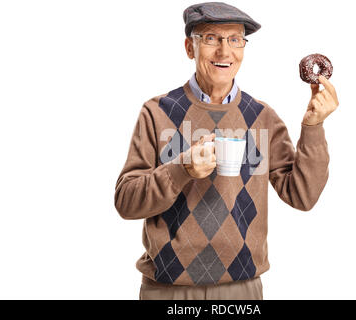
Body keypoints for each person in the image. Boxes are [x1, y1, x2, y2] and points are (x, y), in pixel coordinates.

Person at [114, 1, 339, 300]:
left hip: (242, 289)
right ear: (189, 48)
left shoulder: (262, 117)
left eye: (235, 39)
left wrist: (313, 127)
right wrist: (182, 170)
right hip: (167, 290)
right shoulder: (157, 113)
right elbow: (126, 202)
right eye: (211, 38)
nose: (224, 51)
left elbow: (303, 195)